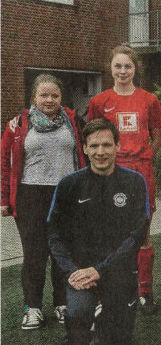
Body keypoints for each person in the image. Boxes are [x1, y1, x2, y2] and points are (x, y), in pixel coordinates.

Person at [47, 118, 149, 345]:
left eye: (106, 144)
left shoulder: (134, 182)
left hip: (118, 271)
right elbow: (54, 235)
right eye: (94, 145)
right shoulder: (69, 184)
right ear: (84, 148)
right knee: (80, 308)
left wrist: (101, 269)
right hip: (80, 273)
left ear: (117, 146)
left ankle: (103, 320)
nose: (100, 151)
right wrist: (71, 271)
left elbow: (136, 236)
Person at [1, 74, 85, 330]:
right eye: (44, 95)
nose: (49, 100)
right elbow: (4, 163)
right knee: (35, 254)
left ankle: (61, 303)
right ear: (34, 98)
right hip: (31, 195)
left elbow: (86, 155)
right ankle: (33, 307)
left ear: (61, 98)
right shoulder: (17, 125)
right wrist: (4, 198)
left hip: (66, 194)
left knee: (63, 253)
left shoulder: (72, 121)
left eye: (54, 95)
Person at [87, 44, 161, 313]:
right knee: (109, 233)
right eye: (118, 66)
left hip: (140, 173)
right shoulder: (99, 101)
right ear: (111, 68)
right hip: (109, 173)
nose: (123, 71)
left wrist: (144, 156)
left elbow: (158, 135)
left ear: (135, 69)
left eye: (128, 66)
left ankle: (145, 292)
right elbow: (92, 138)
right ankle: (110, 291)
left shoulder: (149, 100)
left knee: (142, 234)